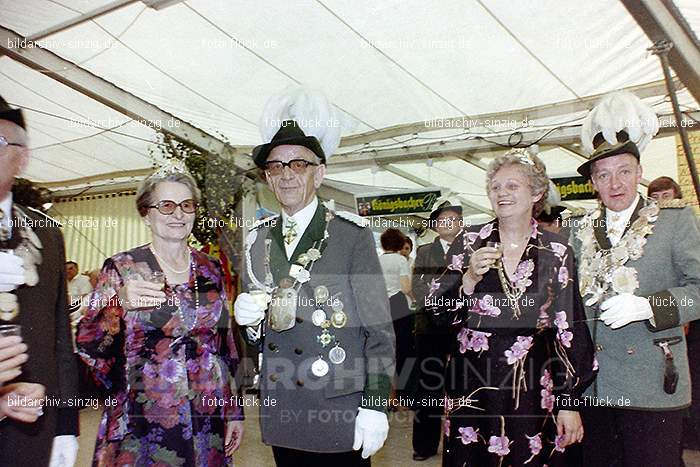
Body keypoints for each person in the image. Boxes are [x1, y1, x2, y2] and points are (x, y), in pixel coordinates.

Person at [233, 86, 395, 466]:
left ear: (319, 173)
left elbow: (380, 332)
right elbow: (259, 341)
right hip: (283, 404)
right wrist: (249, 326)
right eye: (275, 166)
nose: (286, 175)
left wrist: (375, 404)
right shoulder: (256, 240)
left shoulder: (350, 236)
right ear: (267, 178)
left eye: (298, 164)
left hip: (338, 406)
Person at [426, 149, 597, 466]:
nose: (502, 193)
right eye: (495, 187)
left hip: (532, 387)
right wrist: (467, 279)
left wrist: (569, 401)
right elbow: (437, 313)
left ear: (536, 192)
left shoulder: (557, 251)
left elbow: (569, 330)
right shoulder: (467, 243)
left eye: (512, 186)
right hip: (472, 385)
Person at [77, 165, 244, 466]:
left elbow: (225, 346)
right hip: (143, 419)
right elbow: (89, 342)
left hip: (208, 416)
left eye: (187, 205)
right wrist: (118, 303)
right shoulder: (122, 267)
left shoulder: (211, 268)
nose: (178, 214)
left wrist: (234, 411)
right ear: (146, 213)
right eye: (166, 205)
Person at [570, 91, 700, 467]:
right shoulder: (580, 230)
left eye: (624, 171)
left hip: (652, 380)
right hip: (596, 385)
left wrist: (648, 305)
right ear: (593, 182)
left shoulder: (675, 221)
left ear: (639, 173)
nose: (615, 183)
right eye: (603, 175)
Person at [0, 95, 79, 466]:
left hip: (32, 426)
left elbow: (61, 336)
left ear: (23, 157)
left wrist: (66, 424)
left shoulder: (45, 232)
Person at [410, 200, 463, 461]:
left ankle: (459, 442)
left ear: (461, 224)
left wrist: (455, 313)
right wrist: (436, 309)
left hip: (461, 327)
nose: (448, 224)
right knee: (428, 386)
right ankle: (424, 445)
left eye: (454, 219)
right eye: (443, 220)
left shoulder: (470, 248)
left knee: (460, 385)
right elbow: (418, 286)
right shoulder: (424, 250)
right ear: (434, 225)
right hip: (429, 327)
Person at [379, 228, 413, 406]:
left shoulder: (376, 261)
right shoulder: (400, 260)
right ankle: (397, 397)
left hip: (380, 308)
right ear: (400, 244)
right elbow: (406, 288)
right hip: (398, 305)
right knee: (402, 351)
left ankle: (385, 396)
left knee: (384, 351)